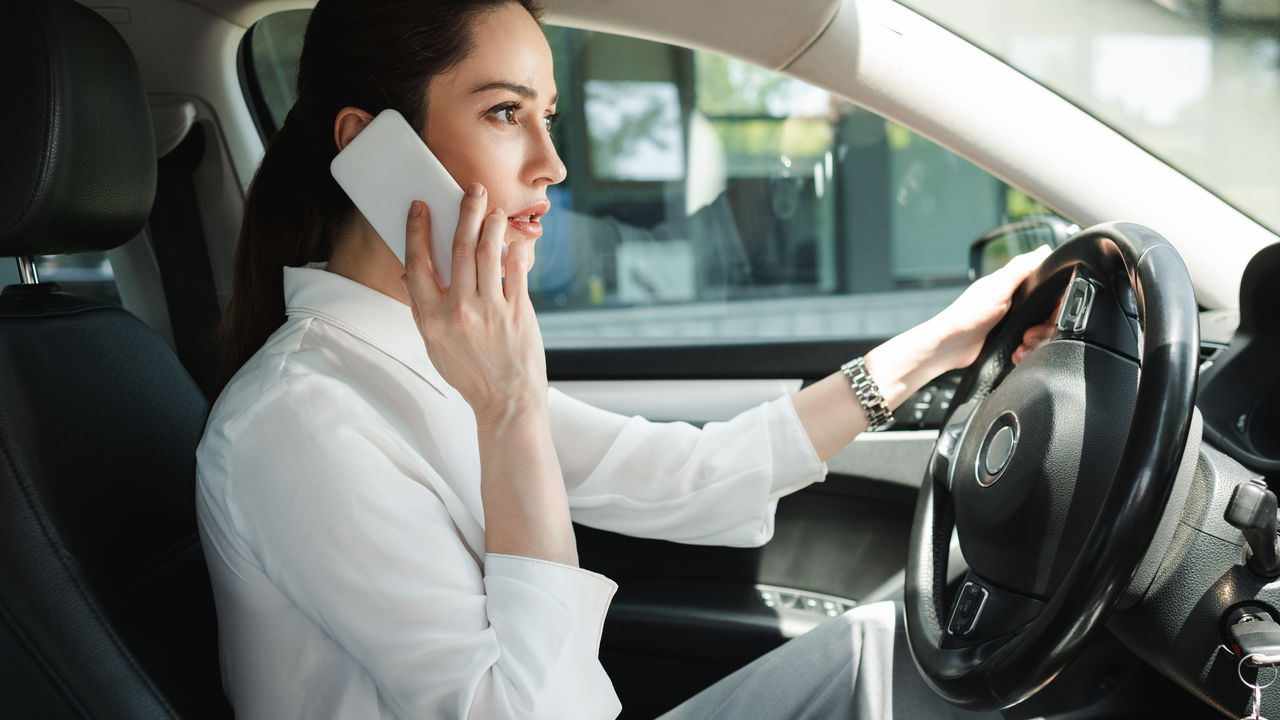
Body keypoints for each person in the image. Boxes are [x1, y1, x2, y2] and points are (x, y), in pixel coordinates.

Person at [196, 0, 1055, 717]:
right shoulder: (301, 422)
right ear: (369, 148)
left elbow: (686, 473)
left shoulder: (425, 359)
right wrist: (511, 412)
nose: (554, 164)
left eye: (550, 117)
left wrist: (938, 347)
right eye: (505, 113)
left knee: (900, 649)